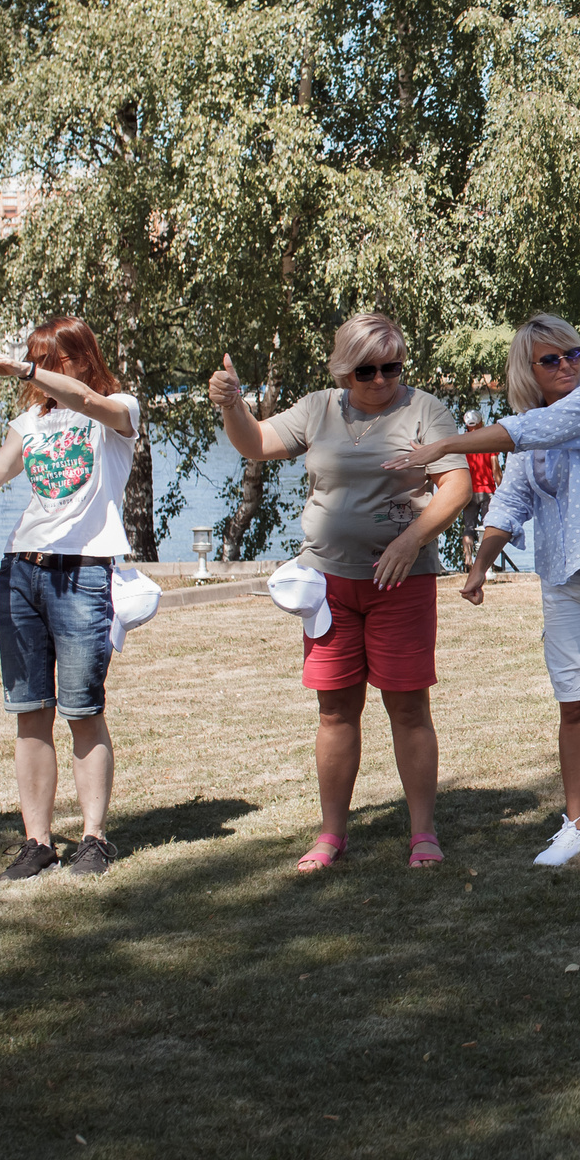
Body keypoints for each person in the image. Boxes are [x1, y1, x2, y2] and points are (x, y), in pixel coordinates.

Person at [395, 316, 580, 869]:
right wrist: (479, 565)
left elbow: (525, 435)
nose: (566, 364)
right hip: (563, 580)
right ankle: (576, 827)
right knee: (574, 705)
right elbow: (512, 501)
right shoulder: (530, 423)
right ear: (529, 370)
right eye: (551, 360)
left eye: (571, 353)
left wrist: (443, 445)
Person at [209, 314, 471, 871]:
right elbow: (255, 444)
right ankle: (331, 835)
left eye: (392, 368)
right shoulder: (318, 408)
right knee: (334, 709)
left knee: (408, 708)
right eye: (366, 370)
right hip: (327, 587)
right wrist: (233, 405)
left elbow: (458, 485)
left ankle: (423, 833)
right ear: (344, 369)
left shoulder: (425, 410)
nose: (380, 380)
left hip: (402, 582)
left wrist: (411, 541)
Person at [0, 319, 143, 879]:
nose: (44, 369)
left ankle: (93, 838)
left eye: (54, 359)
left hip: (82, 575)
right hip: (21, 570)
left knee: (82, 710)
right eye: (35, 358)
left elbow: (90, 400)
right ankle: (38, 841)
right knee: (30, 713)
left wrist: (26, 371)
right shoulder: (30, 422)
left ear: (82, 358)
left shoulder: (117, 410)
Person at [458, 411, 500, 566]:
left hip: (469, 492)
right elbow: (495, 469)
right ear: (481, 423)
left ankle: (468, 559)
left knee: (468, 527)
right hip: (487, 491)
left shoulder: (462, 444)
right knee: (488, 528)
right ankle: (486, 562)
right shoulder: (488, 441)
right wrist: (501, 488)